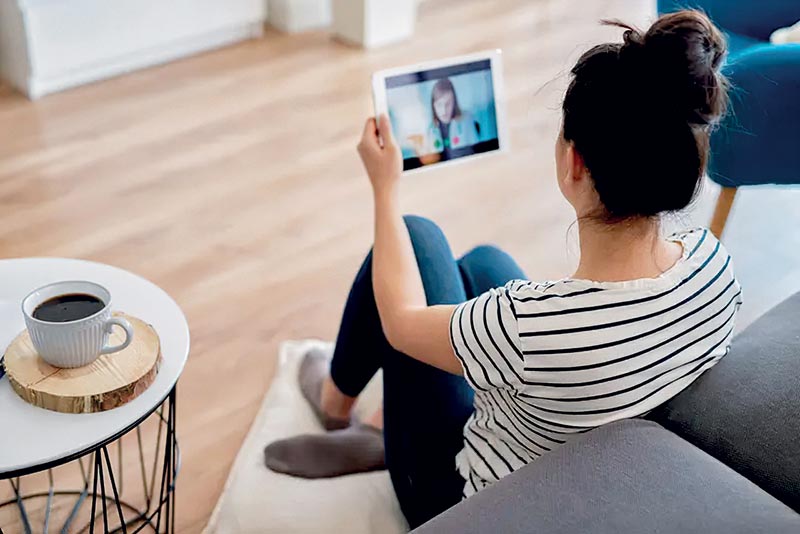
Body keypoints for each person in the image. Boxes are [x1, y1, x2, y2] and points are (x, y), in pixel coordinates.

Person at [265, 10, 742, 529]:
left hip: (464, 497)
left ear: (573, 163)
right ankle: (368, 417)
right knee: (484, 262)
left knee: (417, 234)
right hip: (574, 462)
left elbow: (401, 323)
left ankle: (339, 408)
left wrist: (385, 188)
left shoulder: (532, 326)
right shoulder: (714, 265)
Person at [408, 77, 479, 162]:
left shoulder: (467, 119)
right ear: (433, 105)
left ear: (454, 102)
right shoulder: (430, 130)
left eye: (448, 103)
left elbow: (477, 154)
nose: (444, 111)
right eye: (439, 104)